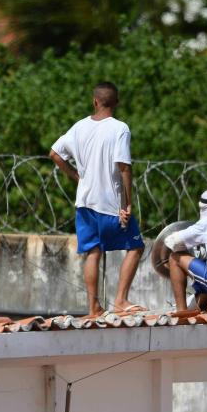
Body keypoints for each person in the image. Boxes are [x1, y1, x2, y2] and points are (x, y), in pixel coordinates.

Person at [50, 81, 145, 317]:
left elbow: (54, 154)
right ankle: (121, 300)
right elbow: (124, 166)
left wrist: (75, 175)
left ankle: (93, 308)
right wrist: (127, 204)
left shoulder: (79, 127)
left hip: (84, 202)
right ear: (116, 103)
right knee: (135, 247)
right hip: (110, 203)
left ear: (95, 101)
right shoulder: (119, 128)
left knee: (93, 252)